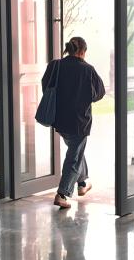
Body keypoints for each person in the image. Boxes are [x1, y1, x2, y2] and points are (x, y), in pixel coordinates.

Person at [43, 36, 105, 209]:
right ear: (82, 52)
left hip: (59, 118)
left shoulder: (55, 65)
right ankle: (62, 193)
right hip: (79, 120)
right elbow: (99, 93)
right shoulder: (88, 69)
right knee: (74, 156)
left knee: (75, 150)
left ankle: (82, 183)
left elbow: (45, 85)